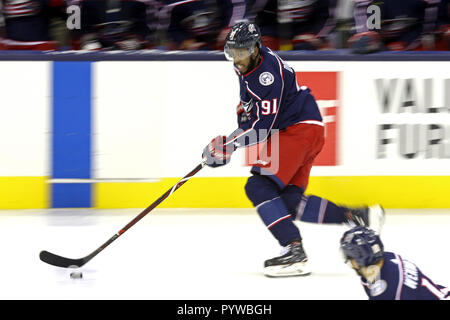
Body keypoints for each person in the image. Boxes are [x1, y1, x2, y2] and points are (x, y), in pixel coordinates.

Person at [202, 21, 385, 278]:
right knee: (288, 201)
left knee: (259, 187)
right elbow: (249, 112)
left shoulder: (267, 73)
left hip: (296, 129)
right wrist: (237, 127)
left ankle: (294, 251)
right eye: (233, 52)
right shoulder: (248, 66)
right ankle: (357, 215)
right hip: (306, 129)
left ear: (256, 49)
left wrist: (229, 146)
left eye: (242, 52)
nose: (237, 58)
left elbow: (262, 128)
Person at [340, 226, 450, 300]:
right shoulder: (387, 258)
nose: (351, 262)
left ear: (360, 259)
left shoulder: (388, 292)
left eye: (351, 257)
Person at [348, 0, 446, 53]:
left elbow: (432, 29)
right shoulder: (371, 6)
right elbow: (364, 39)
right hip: (382, 53)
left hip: (420, 53)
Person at [244, 0, 338, 50]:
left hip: (307, 31)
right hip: (273, 29)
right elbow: (250, 12)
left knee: (310, 49)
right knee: (260, 47)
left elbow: (329, 16)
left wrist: (316, 36)